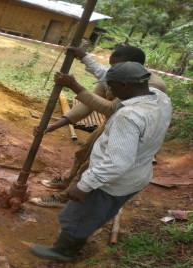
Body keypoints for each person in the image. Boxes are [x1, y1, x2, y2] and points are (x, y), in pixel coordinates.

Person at [30, 61, 172, 262]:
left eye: (112, 87)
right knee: (98, 213)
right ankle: (74, 245)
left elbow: (117, 162)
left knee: (77, 216)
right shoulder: (160, 99)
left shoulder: (129, 116)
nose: (110, 92)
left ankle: (64, 252)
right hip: (137, 175)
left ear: (124, 85)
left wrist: (84, 185)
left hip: (111, 181)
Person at [29, 46, 167, 207]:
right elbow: (88, 104)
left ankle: (67, 196)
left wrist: (75, 86)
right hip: (112, 123)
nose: (111, 70)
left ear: (132, 67)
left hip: (128, 131)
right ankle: (67, 180)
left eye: (116, 67)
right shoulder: (116, 77)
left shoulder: (151, 85)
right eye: (111, 66)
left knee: (94, 163)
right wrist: (56, 125)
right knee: (83, 152)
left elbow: (112, 108)